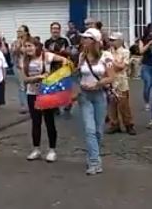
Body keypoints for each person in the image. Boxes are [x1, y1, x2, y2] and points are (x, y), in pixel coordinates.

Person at [21, 37, 68, 163]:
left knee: (49, 121)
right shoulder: (24, 60)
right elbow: (25, 79)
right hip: (32, 93)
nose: (28, 49)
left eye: (30, 46)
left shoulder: (46, 56)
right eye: (26, 46)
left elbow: (65, 61)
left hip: (47, 94)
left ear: (37, 46)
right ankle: (36, 149)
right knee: (36, 122)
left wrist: (56, 76)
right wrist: (38, 77)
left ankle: (52, 150)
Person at [77, 28, 115, 175]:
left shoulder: (107, 56)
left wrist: (97, 84)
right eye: (84, 38)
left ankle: (93, 155)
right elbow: (79, 74)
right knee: (89, 130)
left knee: (98, 130)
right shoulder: (82, 55)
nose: (84, 41)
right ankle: (94, 162)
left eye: (87, 38)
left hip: (99, 95)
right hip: (85, 96)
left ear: (95, 41)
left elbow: (111, 77)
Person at [106, 32, 134, 135]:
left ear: (120, 41)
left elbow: (122, 66)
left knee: (124, 104)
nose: (111, 42)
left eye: (113, 40)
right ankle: (114, 124)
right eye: (111, 40)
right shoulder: (108, 52)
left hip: (121, 81)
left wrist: (111, 61)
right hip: (111, 80)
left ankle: (129, 124)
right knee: (112, 104)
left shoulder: (125, 52)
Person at [137, 24, 152, 111]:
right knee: (148, 84)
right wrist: (149, 43)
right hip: (146, 65)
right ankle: (146, 103)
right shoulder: (142, 40)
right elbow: (141, 51)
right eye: (151, 31)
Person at [11, 25, 31, 115]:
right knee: (22, 86)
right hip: (18, 67)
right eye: (18, 31)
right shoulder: (15, 42)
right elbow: (13, 53)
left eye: (21, 31)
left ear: (26, 32)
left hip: (30, 67)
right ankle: (24, 106)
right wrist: (18, 46)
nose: (18, 33)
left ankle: (32, 104)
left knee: (31, 86)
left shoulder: (30, 42)